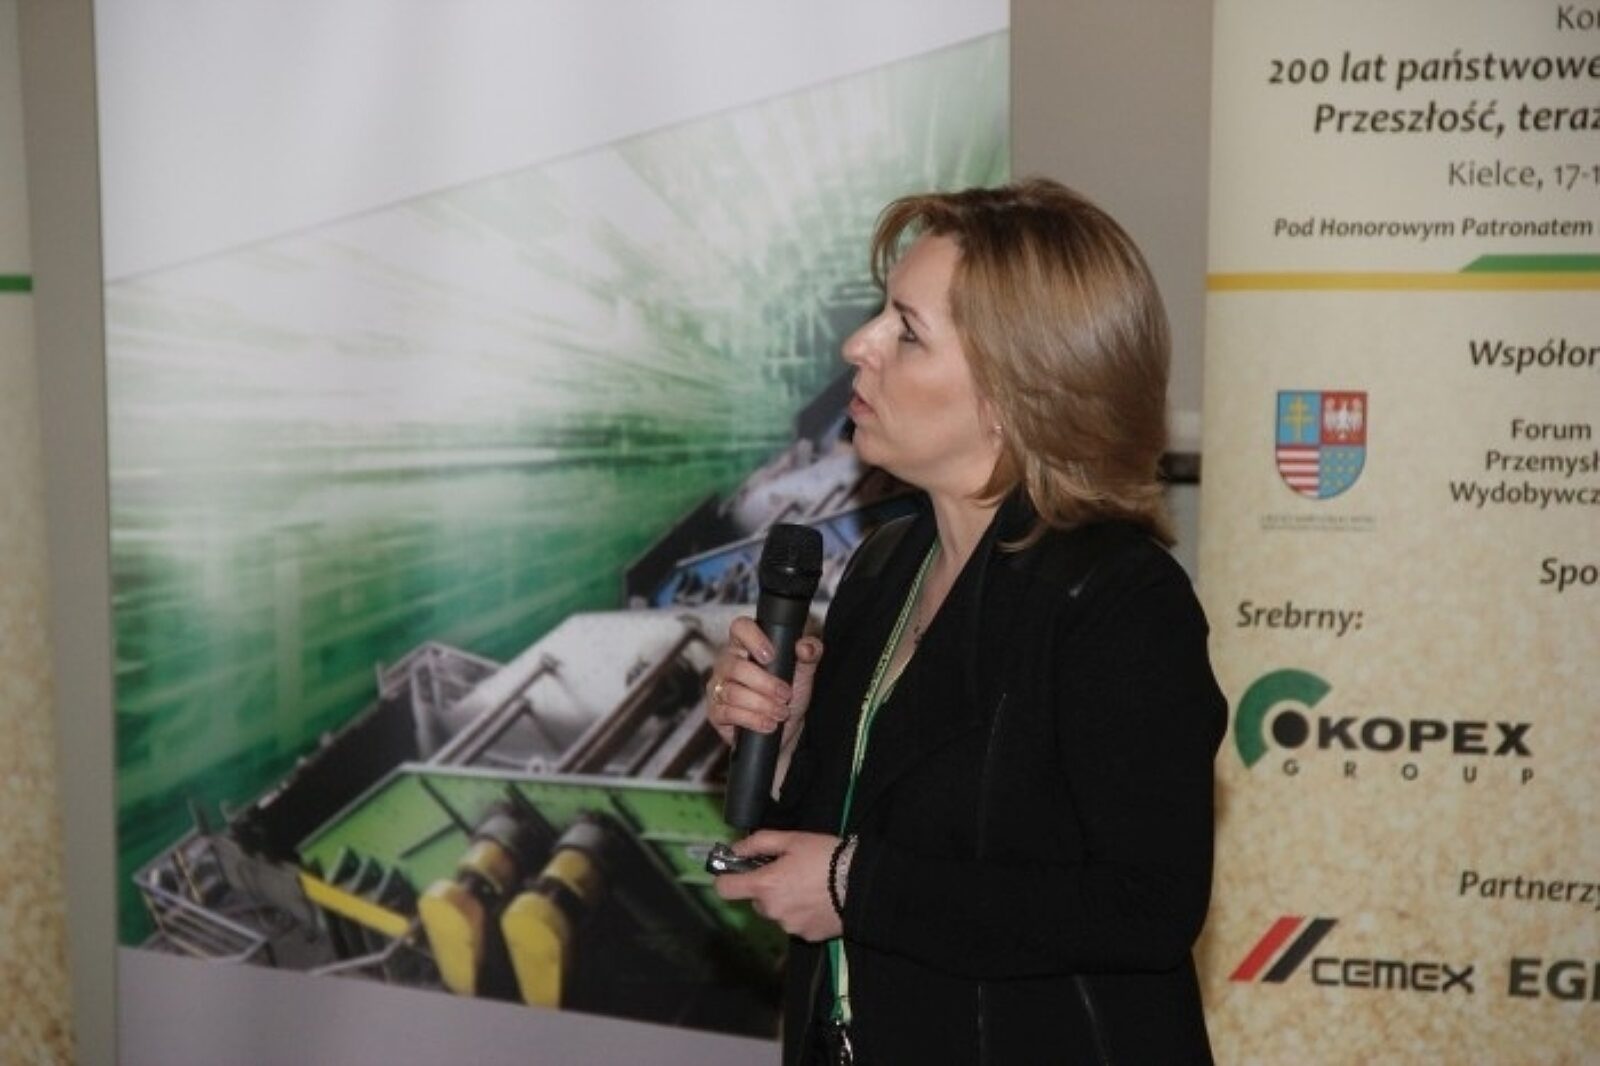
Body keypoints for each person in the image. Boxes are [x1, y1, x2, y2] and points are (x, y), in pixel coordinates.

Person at [705, 178, 1226, 1064]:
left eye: (906, 331)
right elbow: (880, 828)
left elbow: (1146, 904)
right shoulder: (887, 564)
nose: (859, 344)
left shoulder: (1120, 602)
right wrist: (788, 745)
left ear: (1015, 394)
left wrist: (855, 884)